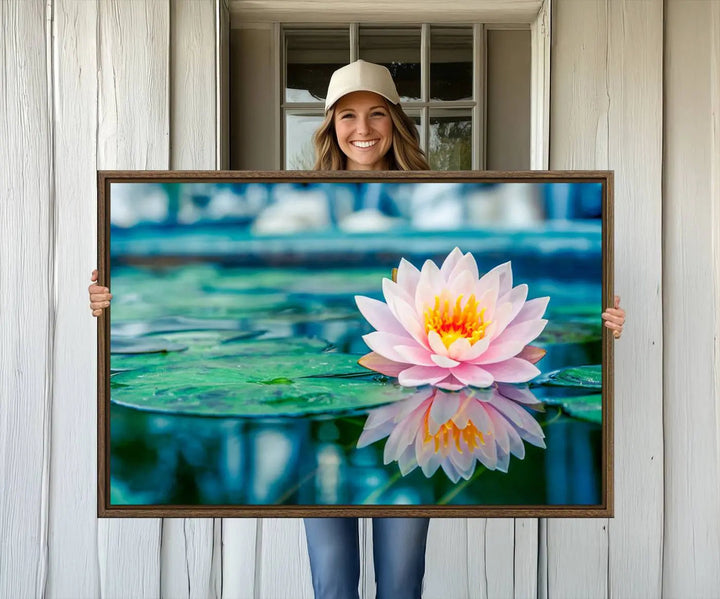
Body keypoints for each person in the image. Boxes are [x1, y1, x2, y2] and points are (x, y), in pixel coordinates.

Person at [88, 59, 627, 599]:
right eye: (347, 116)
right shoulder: (302, 197)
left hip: (423, 389)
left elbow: (486, 282)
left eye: (376, 114)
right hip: (337, 384)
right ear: (330, 126)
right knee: (331, 583)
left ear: (395, 121)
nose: (362, 129)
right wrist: (106, 298)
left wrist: (606, 318)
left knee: (401, 581)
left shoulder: (439, 197)